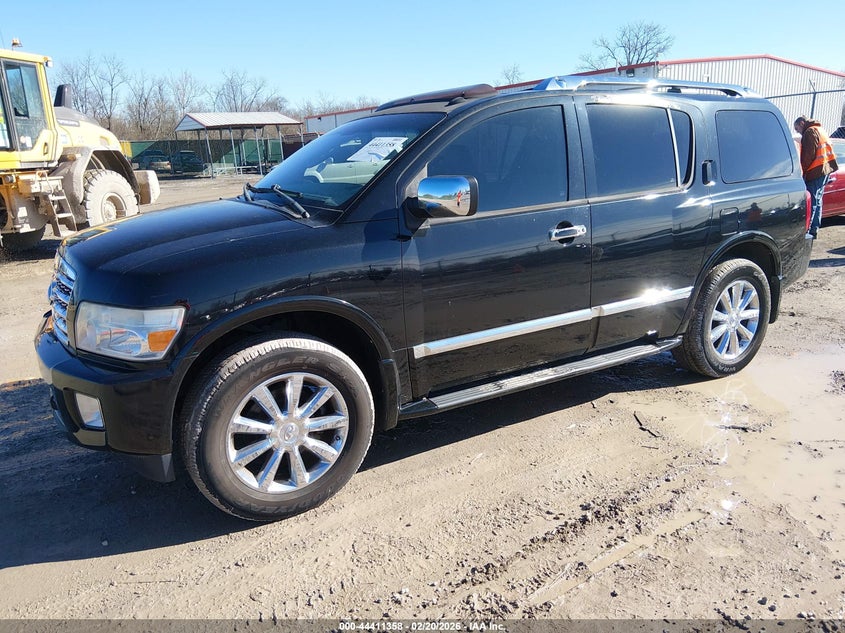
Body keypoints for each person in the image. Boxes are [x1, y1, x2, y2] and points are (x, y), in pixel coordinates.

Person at [794, 116, 839, 238]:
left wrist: (802, 171)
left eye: (797, 129)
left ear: (802, 123)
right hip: (826, 169)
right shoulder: (820, 129)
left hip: (816, 171)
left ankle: (808, 230)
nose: (798, 132)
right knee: (818, 199)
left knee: (812, 200)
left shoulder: (810, 132)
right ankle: (814, 228)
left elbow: (809, 155)